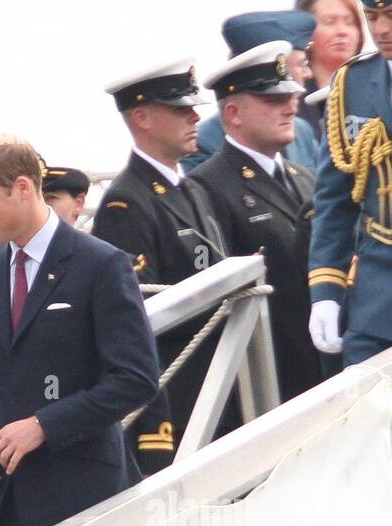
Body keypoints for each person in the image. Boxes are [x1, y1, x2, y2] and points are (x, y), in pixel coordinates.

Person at [0, 136, 159, 526]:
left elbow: (136, 379)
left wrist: (44, 425)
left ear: (24, 188)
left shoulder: (101, 264)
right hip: (0, 509)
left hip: (80, 494)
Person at [94, 60, 227, 473]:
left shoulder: (191, 190)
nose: (195, 117)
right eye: (179, 109)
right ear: (142, 117)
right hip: (179, 391)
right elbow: (137, 319)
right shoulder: (126, 203)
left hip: (216, 379)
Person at [191, 43, 322, 403]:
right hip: (268, 379)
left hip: (324, 364)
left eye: (292, 96)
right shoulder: (207, 187)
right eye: (273, 100)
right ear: (233, 113)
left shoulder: (308, 179)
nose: (291, 107)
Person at [309, 2, 392, 365]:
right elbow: (335, 199)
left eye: (391, 16)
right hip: (377, 296)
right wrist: (326, 290)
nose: (381, 29)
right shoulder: (352, 82)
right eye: (372, 17)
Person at [185, 11, 320, 172]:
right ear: (278, 67)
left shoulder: (301, 130)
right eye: (302, 64)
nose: (308, 73)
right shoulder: (204, 141)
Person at [295, 0, 367, 137]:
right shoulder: (292, 97)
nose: (342, 31)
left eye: (349, 22)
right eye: (330, 22)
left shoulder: (378, 89)